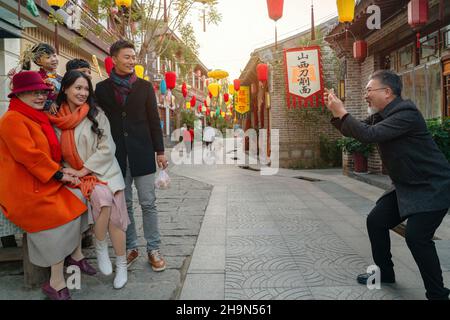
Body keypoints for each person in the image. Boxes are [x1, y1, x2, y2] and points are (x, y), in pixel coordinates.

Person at [324, 69, 450, 300]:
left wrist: (342, 112)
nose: (366, 95)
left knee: (417, 237)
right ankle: (385, 273)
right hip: (406, 185)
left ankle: (438, 294)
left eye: (369, 90)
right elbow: (359, 130)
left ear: (388, 92)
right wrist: (336, 113)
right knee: (376, 221)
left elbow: (369, 135)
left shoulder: (406, 114)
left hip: (432, 186)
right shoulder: (384, 114)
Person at [0, 71, 91, 300]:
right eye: (32, 92)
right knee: (57, 217)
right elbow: (29, 156)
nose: (39, 96)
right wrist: (59, 175)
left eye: (42, 91)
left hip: (41, 179)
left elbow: (46, 155)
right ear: (18, 94)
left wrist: (64, 171)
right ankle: (56, 280)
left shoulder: (35, 116)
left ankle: (75, 255)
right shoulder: (12, 119)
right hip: (22, 187)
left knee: (82, 197)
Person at [49, 70, 130, 289]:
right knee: (104, 201)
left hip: (105, 172)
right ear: (64, 89)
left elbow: (108, 147)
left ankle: (121, 265)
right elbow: (55, 154)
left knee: (117, 220)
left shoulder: (96, 114)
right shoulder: (55, 119)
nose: (83, 93)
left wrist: (84, 170)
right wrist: (70, 173)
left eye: (86, 88)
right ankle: (101, 244)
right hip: (78, 176)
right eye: (77, 87)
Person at [95, 40, 168, 272]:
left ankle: (154, 249)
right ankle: (131, 247)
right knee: (123, 204)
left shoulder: (145, 87)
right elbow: (95, 118)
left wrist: (160, 151)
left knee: (148, 202)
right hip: (115, 156)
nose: (132, 61)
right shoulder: (102, 89)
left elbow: (154, 121)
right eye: (127, 57)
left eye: (133, 57)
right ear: (114, 59)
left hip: (143, 152)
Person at [22, 43, 62, 111]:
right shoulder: (36, 77)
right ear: (38, 61)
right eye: (48, 57)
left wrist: (57, 102)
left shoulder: (61, 78)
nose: (53, 59)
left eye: (54, 56)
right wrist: (49, 104)